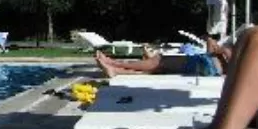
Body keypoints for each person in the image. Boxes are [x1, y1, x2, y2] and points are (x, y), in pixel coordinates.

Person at [95, 37, 232, 78]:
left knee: (157, 61)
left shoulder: (243, 50)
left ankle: (114, 63)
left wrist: (221, 49)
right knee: (155, 70)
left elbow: (227, 53)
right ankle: (115, 70)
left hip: (205, 64)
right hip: (208, 68)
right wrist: (217, 50)